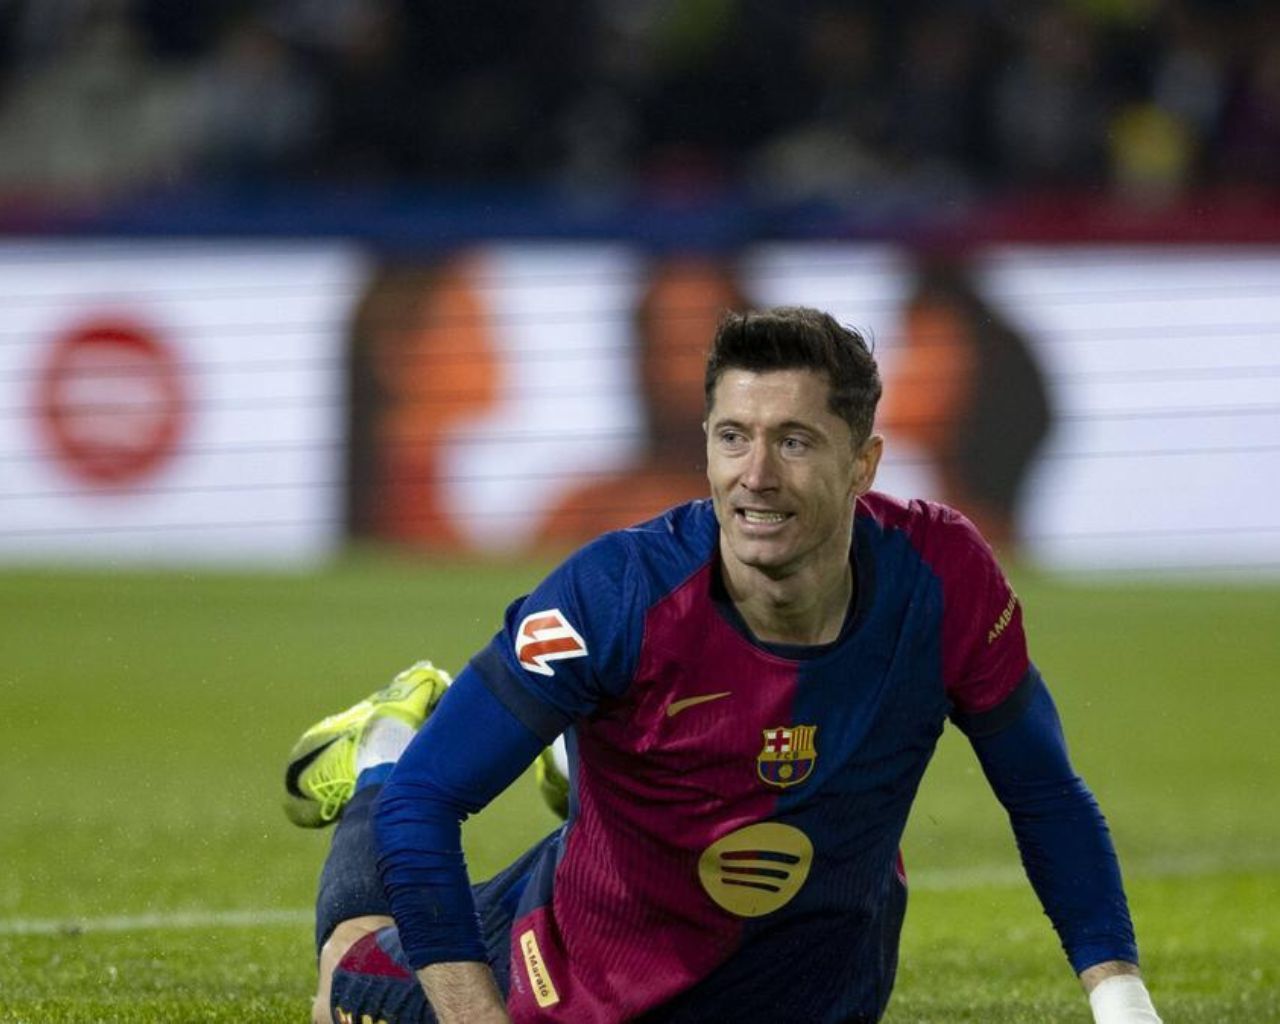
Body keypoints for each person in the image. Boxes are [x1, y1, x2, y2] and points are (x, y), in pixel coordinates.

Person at [285, 307, 1161, 1023]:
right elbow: (427, 803)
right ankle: (384, 745)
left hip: (817, 990)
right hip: (576, 978)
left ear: (863, 464)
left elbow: (1045, 793)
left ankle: (588, 758)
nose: (756, 475)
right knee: (340, 984)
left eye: (795, 442)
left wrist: (1123, 1004)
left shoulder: (943, 579)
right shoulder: (614, 594)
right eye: (734, 437)